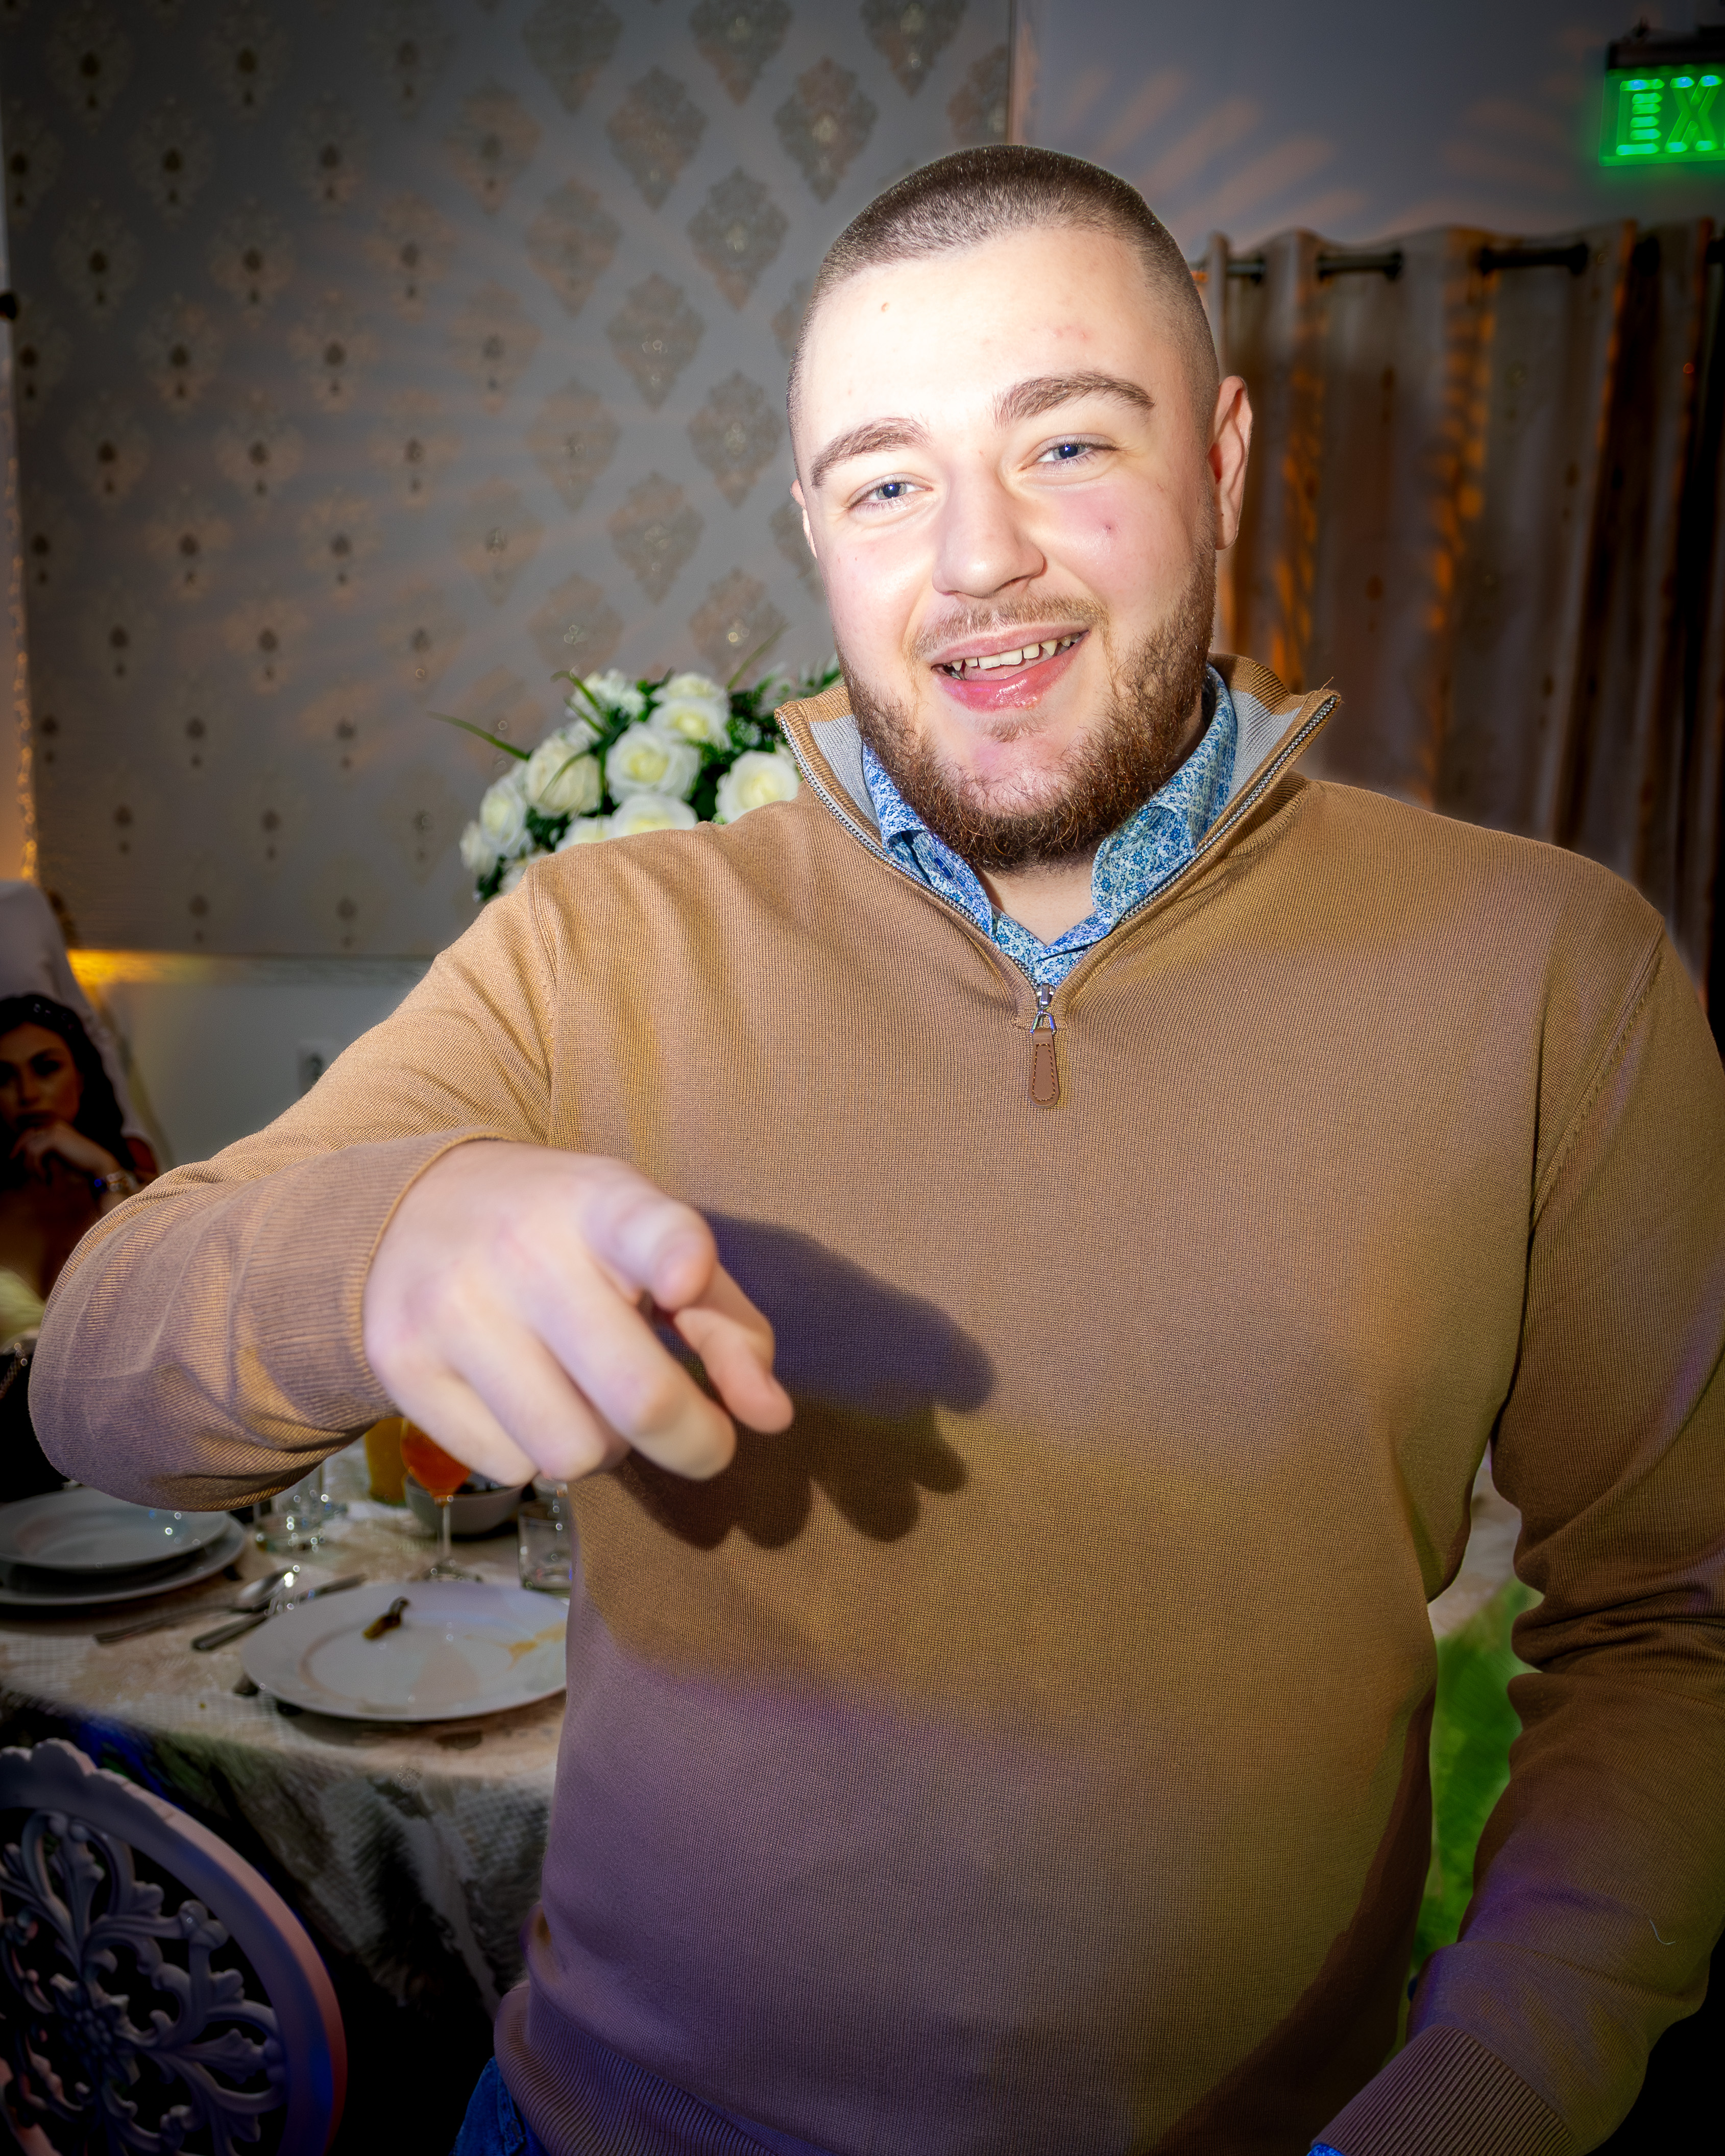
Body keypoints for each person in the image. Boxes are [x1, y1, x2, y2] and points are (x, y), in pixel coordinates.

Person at [30, 146, 1725, 2156]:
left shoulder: (1542, 971)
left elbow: (1666, 1624)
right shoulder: (601, 943)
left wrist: (1499, 2081)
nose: (975, 559)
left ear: (1219, 461)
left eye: (1064, 444)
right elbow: (100, 1376)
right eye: (885, 481)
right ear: (815, 530)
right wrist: (390, 1236)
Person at [0, 993, 145, 1499]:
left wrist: (106, 1172)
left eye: (46, 1069)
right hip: (13, 1480)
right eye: (4, 1077)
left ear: (81, 1078)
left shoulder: (139, 1193)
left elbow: (151, 1314)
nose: (27, 1094)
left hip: (124, 1467)